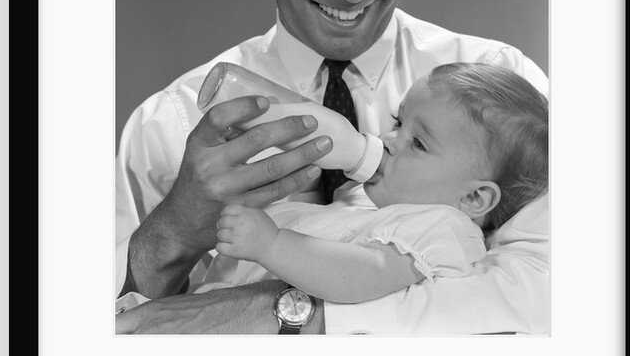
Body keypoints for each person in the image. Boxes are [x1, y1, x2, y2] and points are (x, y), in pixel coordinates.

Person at [115, 0, 549, 335]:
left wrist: (285, 315)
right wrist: (175, 230)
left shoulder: (502, 88)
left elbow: (553, 295)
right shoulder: (172, 123)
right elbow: (88, 339)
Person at [202, 62, 549, 303]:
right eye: (399, 122)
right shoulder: (381, 203)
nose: (387, 138)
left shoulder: (445, 229)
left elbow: (361, 275)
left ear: (474, 198)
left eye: (418, 144)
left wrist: (271, 244)